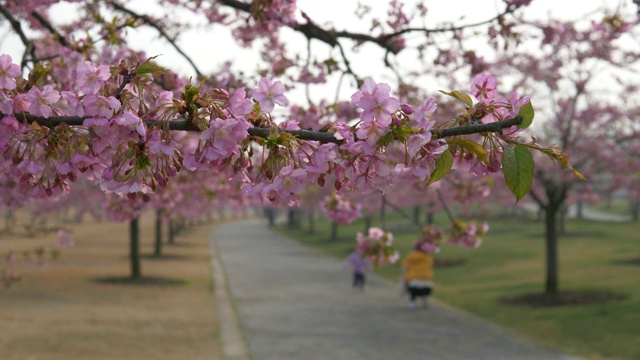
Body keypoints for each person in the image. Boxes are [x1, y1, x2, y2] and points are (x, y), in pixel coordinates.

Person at [401, 226, 439, 309]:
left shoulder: (410, 256)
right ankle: (425, 299)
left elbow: (405, 268)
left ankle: (412, 301)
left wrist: (403, 281)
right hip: (428, 283)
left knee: (411, 287)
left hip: (413, 283)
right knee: (425, 288)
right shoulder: (429, 258)